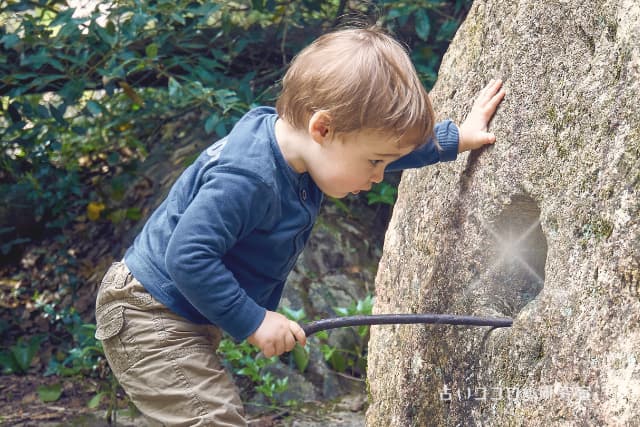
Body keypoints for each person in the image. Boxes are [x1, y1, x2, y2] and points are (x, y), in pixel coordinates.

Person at [94, 26, 505, 426]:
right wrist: (253, 320)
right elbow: (186, 256)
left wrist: (455, 138)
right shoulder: (248, 178)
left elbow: (372, 147)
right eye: (374, 164)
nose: (379, 175)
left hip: (182, 309)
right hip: (148, 312)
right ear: (322, 128)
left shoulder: (304, 150)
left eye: (381, 162)